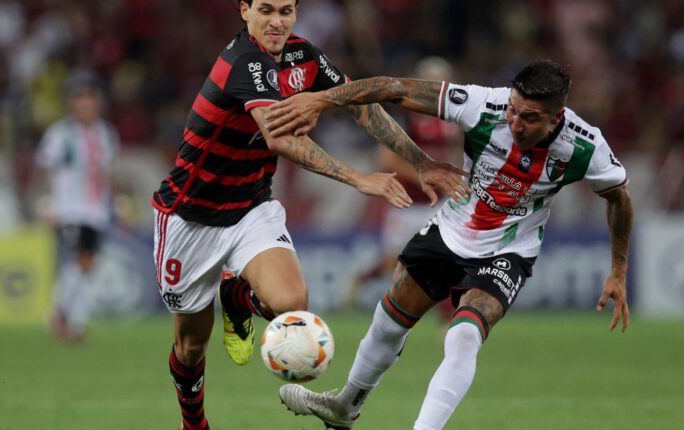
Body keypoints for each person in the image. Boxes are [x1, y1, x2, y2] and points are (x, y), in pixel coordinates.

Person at [150, 1, 469, 429]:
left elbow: (362, 106)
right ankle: (194, 423)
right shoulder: (242, 62)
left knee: (292, 304)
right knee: (190, 346)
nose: (276, 22)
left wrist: (421, 161)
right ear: (244, 11)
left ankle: (237, 296)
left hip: (250, 207)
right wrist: (359, 177)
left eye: (286, 11)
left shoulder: (303, 55)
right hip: (190, 217)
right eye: (265, 10)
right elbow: (279, 137)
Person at [266, 59, 633, 430]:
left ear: (556, 119)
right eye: (513, 110)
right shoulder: (482, 105)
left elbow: (619, 198)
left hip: (509, 250)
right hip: (451, 228)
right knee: (390, 319)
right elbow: (394, 87)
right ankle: (346, 405)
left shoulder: (586, 146)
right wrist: (322, 100)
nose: (516, 124)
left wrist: (619, 269)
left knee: (462, 336)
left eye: (531, 118)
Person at [348, 57, 462, 323]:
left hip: (441, 202)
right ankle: (362, 279)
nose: (439, 87)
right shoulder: (406, 118)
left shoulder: (453, 117)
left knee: (450, 256)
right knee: (396, 263)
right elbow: (386, 158)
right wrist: (423, 173)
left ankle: (448, 319)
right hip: (408, 201)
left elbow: (453, 153)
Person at [34, 70, 119, 343]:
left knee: (87, 263)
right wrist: (46, 204)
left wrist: (117, 202)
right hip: (70, 208)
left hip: (97, 211)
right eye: (79, 98)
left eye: (90, 98)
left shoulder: (105, 133)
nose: (85, 104)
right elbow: (45, 171)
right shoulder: (60, 135)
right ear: (71, 103)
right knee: (81, 260)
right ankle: (61, 313)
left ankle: (72, 320)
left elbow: (107, 172)